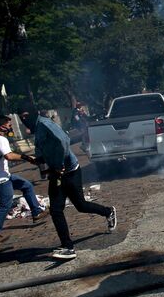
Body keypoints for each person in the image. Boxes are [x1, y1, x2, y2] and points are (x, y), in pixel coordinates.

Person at [17, 104, 117, 260]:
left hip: (69, 171)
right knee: (56, 210)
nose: (24, 119)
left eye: (25, 115)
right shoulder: (37, 128)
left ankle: (108, 211)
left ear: (33, 113)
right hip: (57, 173)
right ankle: (67, 246)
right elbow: (49, 149)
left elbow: (64, 141)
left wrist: (58, 164)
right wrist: (39, 161)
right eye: (21, 117)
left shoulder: (45, 124)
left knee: (81, 205)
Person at [0, 115, 48, 245]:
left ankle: (36, 212)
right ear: (2, 126)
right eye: (9, 125)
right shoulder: (0, 139)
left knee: (26, 186)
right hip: (0, 179)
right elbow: (9, 156)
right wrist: (26, 157)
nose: (11, 128)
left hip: (3, 175)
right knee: (5, 205)